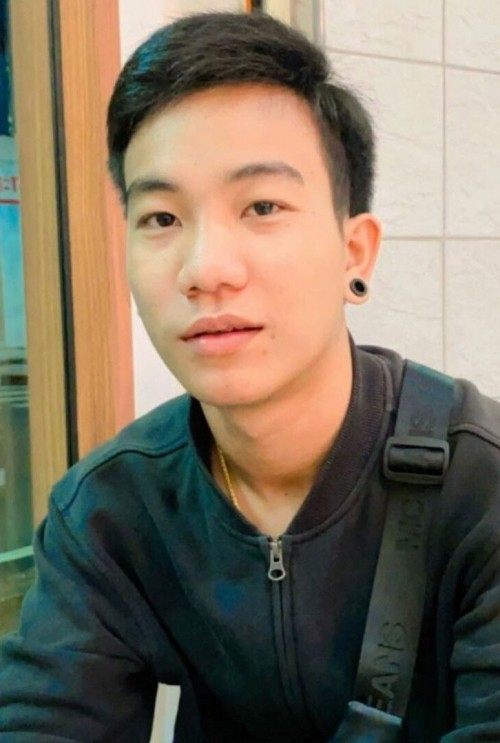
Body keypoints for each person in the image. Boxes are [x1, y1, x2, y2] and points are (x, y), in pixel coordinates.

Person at [1, 10, 500, 742]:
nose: (205, 269)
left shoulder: (482, 484)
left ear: (355, 251)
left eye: (262, 206)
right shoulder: (107, 514)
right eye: (161, 218)